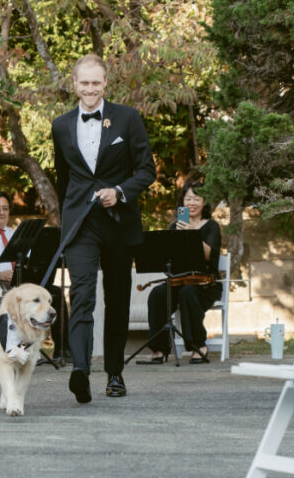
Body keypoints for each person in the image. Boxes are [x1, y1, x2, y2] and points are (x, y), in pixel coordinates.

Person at [52, 54, 156, 403]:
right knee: (81, 293)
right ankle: (80, 369)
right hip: (80, 223)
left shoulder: (128, 119)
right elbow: (63, 178)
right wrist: (69, 213)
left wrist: (120, 191)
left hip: (118, 222)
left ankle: (114, 373)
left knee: (116, 298)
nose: (90, 89)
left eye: (96, 83)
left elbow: (146, 170)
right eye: (85, 83)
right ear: (74, 84)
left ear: (106, 83)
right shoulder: (60, 125)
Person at [0, 189, 69, 357]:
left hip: (22, 283)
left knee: (55, 293)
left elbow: (29, 260)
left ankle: (63, 350)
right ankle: (18, 351)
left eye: (5, 208)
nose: (1, 212)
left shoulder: (16, 234)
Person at [146, 176, 222, 364]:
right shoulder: (175, 226)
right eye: (188, 199)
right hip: (180, 280)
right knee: (157, 294)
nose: (192, 203)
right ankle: (159, 348)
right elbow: (167, 258)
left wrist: (191, 235)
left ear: (204, 202)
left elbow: (209, 256)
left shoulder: (212, 227)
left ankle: (199, 345)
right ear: (183, 202)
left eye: (197, 199)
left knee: (188, 293)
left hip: (205, 283)